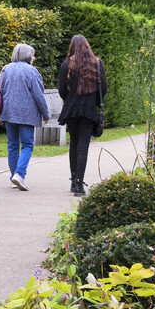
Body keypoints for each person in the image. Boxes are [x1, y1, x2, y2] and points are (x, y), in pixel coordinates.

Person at [0, 43, 50, 191]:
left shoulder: (5, 69)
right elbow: (38, 95)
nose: (34, 57)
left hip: (9, 113)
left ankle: (14, 178)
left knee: (13, 146)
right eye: (32, 55)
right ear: (26, 55)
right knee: (27, 145)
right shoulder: (31, 71)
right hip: (26, 115)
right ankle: (19, 174)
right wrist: (46, 114)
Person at [57, 35, 107, 196]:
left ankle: (73, 181)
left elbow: (62, 90)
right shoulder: (97, 64)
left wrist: (71, 99)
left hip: (71, 110)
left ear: (72, 47)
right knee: (83, 146)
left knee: (74, 143)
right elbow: (103, 89)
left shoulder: (67, 65)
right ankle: (79, 184)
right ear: (87, 46)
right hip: (88, 110)